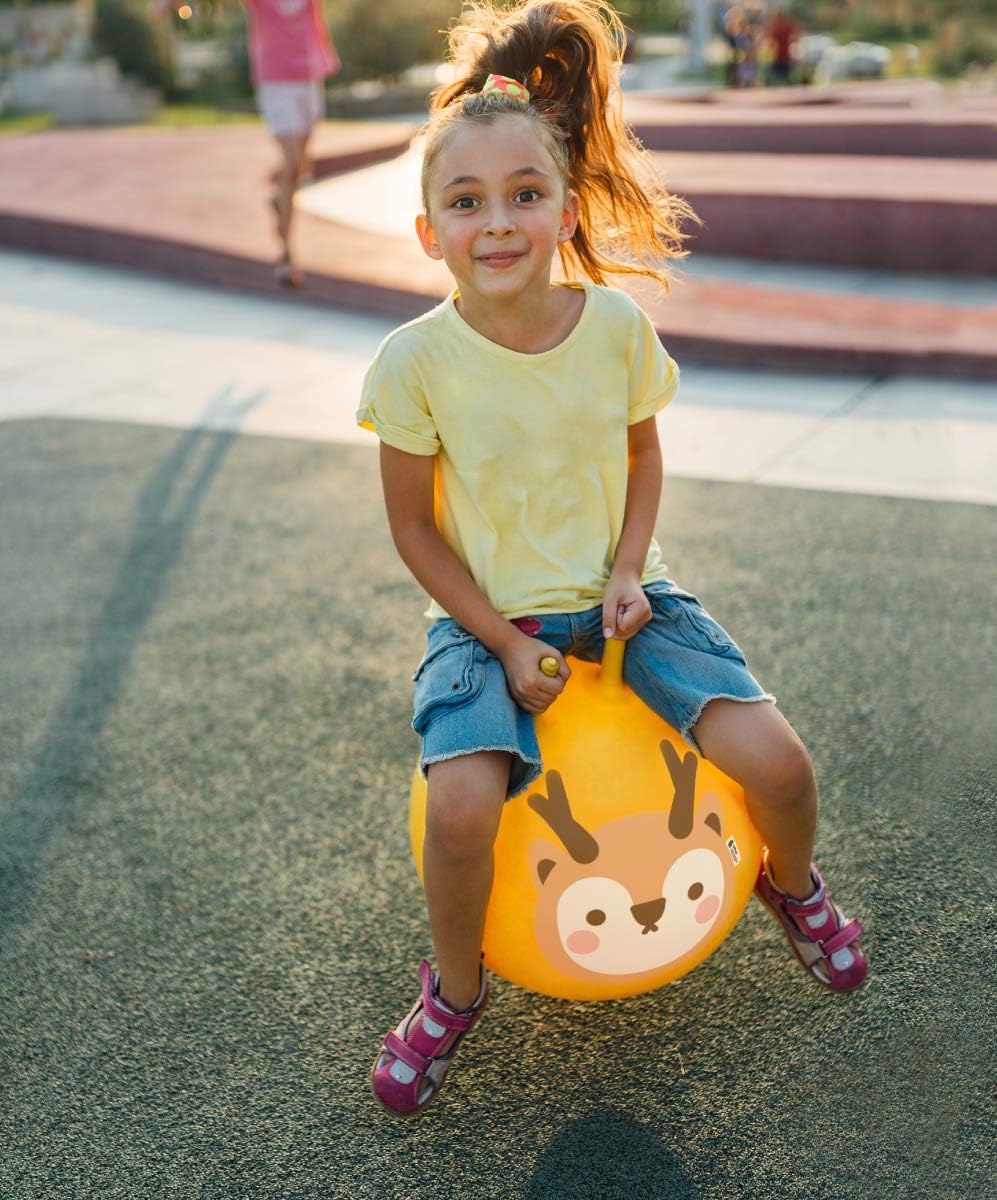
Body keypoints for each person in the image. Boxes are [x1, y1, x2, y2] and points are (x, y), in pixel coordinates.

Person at [356, 0, 868, 1119]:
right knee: (458, 815)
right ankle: (454, 991)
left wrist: (631, 573)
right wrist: (498, 640)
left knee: (779, 765)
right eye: (466, 202)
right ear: (428, 230)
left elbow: (643, 458)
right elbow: (413, 528)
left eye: (524, 196)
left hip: (630, 602)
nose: (498, 224)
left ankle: (794, 891)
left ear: (565, 207)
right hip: (486, 624)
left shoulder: (618, 332)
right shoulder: (413, 364)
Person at [156, 0, 340, 287]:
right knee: (292, 167)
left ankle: (280, 199)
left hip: (308, 77)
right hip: (276, 82)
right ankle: (286, 256)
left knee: (300, 168)